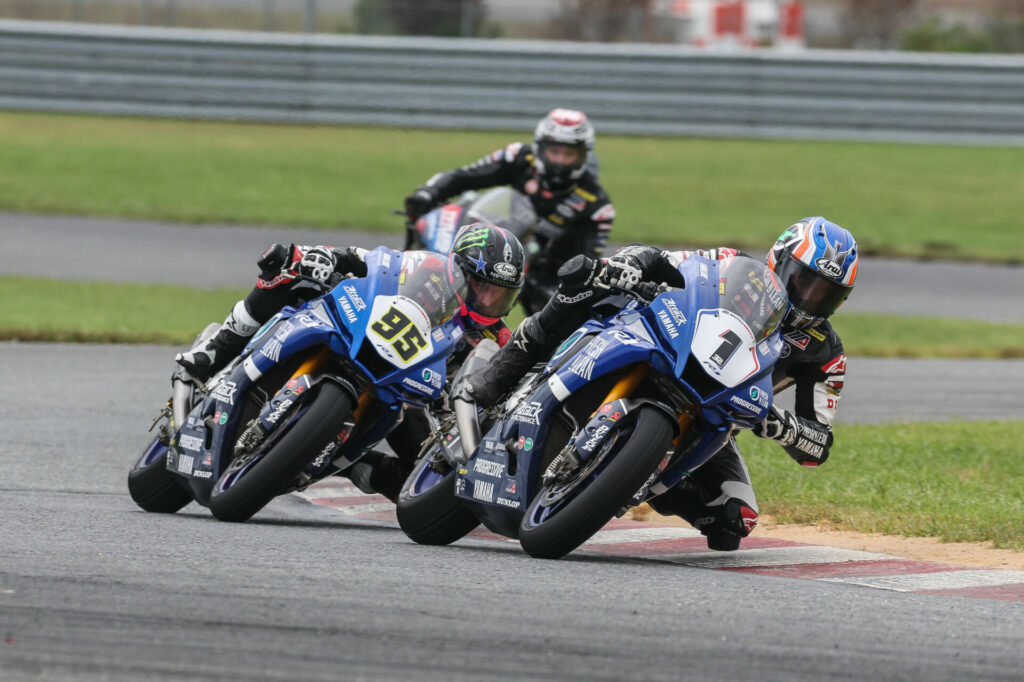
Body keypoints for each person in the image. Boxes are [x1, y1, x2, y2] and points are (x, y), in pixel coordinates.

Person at [456, 217, 858, 551]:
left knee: (733, 520)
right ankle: (498, 376)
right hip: (661, 344)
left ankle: (624, 480)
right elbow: (660, 258)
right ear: (781, 261)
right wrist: (622, 266)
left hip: (713, 412)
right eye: (804, 282)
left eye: (826, 295)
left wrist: (782, 427)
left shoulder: (826, 353)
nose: (809, 300)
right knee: (589, 287)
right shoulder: (732, 264)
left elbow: (817, 445)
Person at [176, 222, 527, 499]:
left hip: (406, 391)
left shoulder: (494, 336)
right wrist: (316, 257)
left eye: (501, 295)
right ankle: (215, 352)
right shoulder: (426, 266)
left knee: (424, 473)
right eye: (483, 287)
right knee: (285, 272)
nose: (489, 300)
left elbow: (502, 376)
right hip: (358, 330)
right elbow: (369, 259)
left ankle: (356, 466)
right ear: (459, 271)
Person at [403, 108, 615, 314]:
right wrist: (428, 193)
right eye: (554, 151)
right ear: (540, 148)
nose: (559, 160)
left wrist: (559, 286)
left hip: (545, 274)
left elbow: (588, 267)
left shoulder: (597, 206)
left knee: (558, 315)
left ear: (583, 155)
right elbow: (465, 175)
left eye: (568, 154)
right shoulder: (518, 157)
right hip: (502, 247)